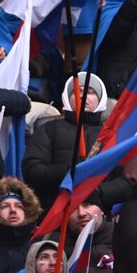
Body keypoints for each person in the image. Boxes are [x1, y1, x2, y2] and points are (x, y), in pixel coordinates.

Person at [23, 72, 106, 207]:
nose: (82, 96)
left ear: (100, 99)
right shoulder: (49, 129)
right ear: (67, 97)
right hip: (54, 210)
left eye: (90, 92)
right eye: (76, 91)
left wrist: (97, 192)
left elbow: (123, 181)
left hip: (97, 211)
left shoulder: (109, 134)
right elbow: (32, 171)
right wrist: (68, 172)